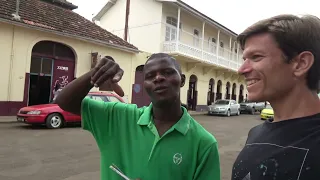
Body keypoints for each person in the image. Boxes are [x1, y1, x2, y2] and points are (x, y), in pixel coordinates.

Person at [55, 53, 220, 180]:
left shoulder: (204, 143)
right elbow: (64, 102)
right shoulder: (118, 117)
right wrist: (95, 73)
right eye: (150, 76)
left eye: (168, 72)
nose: (158, 78)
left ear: (182, 80)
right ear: (144, 85)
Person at [232, 14, 320, 180]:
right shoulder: (255, 134)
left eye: (256, 57)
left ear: (301, 64)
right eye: (244, 59)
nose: (241, 69)